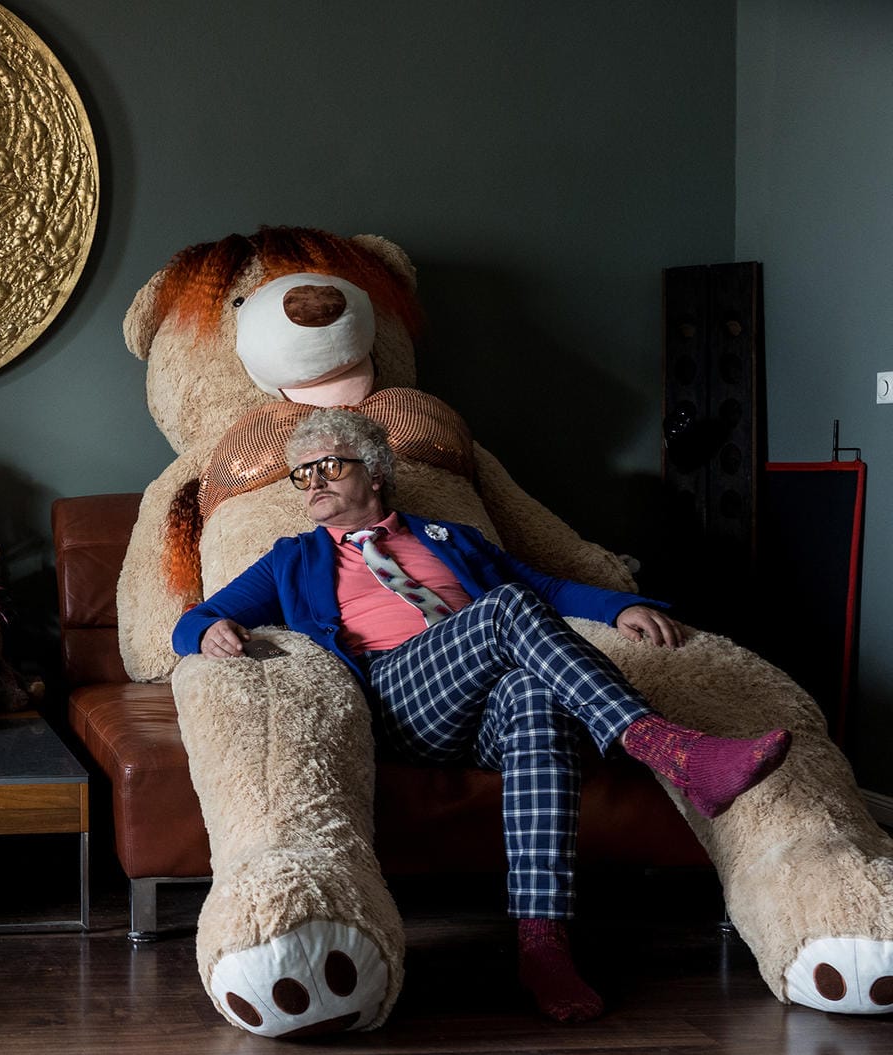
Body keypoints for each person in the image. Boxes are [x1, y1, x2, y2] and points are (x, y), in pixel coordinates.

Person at [171, 407, 791, 1023]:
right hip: (399, 698)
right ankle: (670, 749)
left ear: (376, 472)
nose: (314, 483)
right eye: (301, 475)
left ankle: (542, 943)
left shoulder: (451, 538)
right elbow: (192, 619)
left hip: (486, 705)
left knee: (534, 696)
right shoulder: (293, 557)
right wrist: (211, 630)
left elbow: (550, 588)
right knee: (502, 610)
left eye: (329, 465)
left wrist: (622, 607)